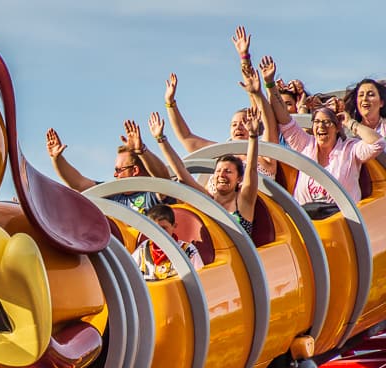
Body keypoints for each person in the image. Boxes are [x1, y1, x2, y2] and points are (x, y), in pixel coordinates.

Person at [261, 56, 386, 205]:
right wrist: (269, 84)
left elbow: (378, 142)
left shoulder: (350, 148)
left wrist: (349, 122)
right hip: (310, 221)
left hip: (341, 220)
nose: (321, 126)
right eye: (317, 122)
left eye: (327, 122)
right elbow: (284, 118)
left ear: (337, 126)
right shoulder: (306, 144)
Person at [163, 26, 277, 176]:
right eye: (234, 124)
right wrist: (170, 103)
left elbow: (266, 116)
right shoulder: (223, 153)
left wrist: (246, 61)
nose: (238, 127)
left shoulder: (265, 152)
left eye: (243, 122)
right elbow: (186, 137)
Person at [148, 107, 261, 237]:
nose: (221, 175)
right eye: (218, 171)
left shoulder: (244, 201)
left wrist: (253, 136)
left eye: (228, 171)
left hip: (239, 255)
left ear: (239, 178)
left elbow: (252, 169)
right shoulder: (208, 200)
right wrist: (161, 139)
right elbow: (180, 171)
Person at [46, 120, 171, 213]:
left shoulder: (151, 193)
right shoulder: (112, 193)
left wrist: (141, 150)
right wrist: (57, 159)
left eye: (118, 170)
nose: (115, 175)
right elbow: (78, 184)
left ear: (135, 170)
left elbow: (164, 181)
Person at [132, 204, 204, 280]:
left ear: (174, 226)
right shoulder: (143, 248)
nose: (159, 232)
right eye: (154, 228)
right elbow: (129, 270)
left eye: (164, 228)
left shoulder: (188, 250)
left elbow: (200, 278)